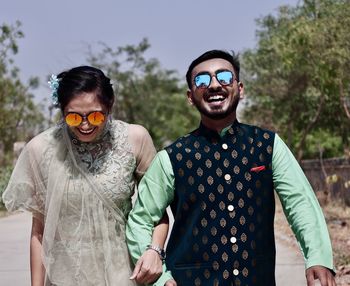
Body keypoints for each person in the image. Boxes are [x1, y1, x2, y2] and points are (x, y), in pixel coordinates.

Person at [126, 50, 337, 286]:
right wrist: (160, 276)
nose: (214, 85)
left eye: (224, 77)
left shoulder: (268, 145)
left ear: (241, 88)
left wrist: (317, 257)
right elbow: (140, 219)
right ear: (190, 97)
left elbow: (300, 202)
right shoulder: (172, 157)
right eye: (202, 80)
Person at [2, 65, 168, 286]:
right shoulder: (41, 149)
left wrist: (155, 251)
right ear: (62, 111)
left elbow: (156, 210)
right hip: (65, 277)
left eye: (95, 115)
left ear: (110, 105)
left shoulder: (134, 139)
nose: (85, 124)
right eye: (74, 117)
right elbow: (39, 232)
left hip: (124, 274)